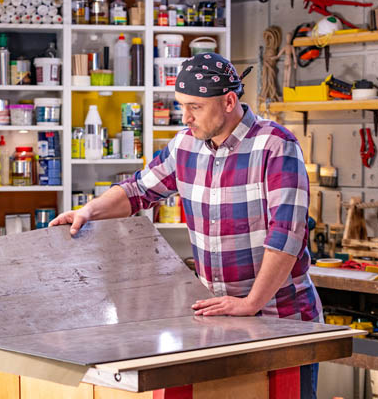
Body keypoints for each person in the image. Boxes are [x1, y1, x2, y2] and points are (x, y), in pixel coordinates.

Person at [50, 53, 322, 398]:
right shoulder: (185, 145)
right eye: (182, 105)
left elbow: (287, 234)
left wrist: (251, 302)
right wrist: (88, 211)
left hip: (281, 320)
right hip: (218, 319)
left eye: (195, 107)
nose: (186, 117)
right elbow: (137, 191)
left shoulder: (276, 145)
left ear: (228, 101)